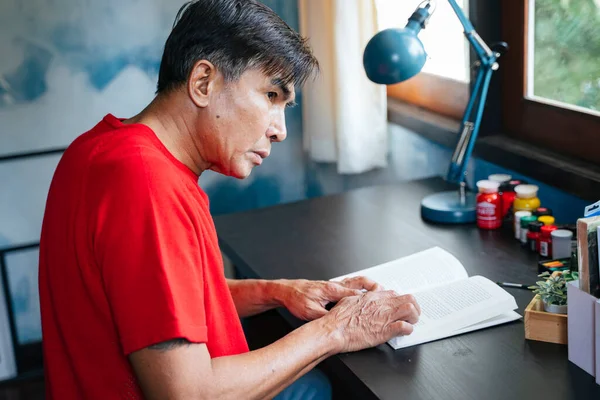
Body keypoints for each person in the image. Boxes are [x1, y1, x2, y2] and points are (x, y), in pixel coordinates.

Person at [38, 0, 421, 399]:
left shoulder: (102, 149)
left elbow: (168, 302)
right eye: (271, 95)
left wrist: (281, 291)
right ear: (204, 82)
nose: (280, 130)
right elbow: (188, 394)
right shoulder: (146, 184)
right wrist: (338, 329)